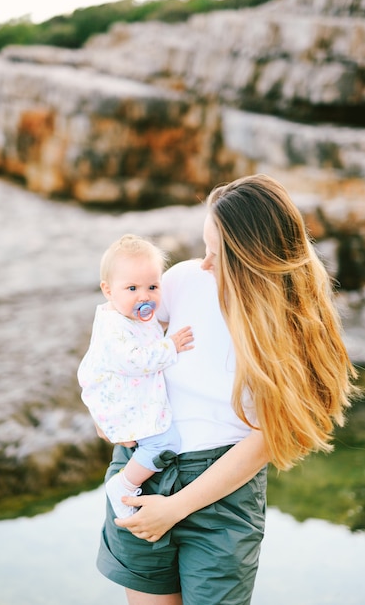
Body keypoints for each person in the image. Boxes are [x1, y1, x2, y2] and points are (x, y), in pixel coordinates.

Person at [93, 174, 358, 605]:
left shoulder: (291, 327)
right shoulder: (181, 281)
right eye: (204, 247)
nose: (204, 264)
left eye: (217, 254)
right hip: (141, 473)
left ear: (254, 259)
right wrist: (107, 410)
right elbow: (120, 342)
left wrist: (177, 508)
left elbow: (267, 441)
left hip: (221, 496)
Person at [77, 234, 194, 518]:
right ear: (108, 290)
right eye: (132, 288)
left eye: (152, 286)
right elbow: (134, 360)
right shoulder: (115, 326)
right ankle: (124, 485)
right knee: (164, 442)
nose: (144, 296)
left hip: (127, 394)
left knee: (147, 440)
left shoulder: (132, 314)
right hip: (119, 398)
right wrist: (170, 346)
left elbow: (151, 327)